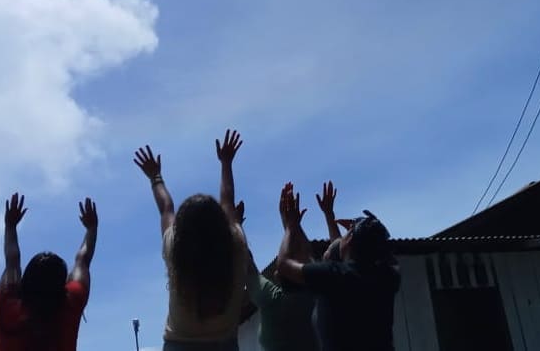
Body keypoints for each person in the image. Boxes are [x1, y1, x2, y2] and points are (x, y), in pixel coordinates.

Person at [134, 129, 248, 351]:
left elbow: (166, 209)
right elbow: (227, 200)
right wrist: (226, 162)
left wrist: (155, 176)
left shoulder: (174, 249)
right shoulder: (236, 244)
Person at [276, 185, 400, 351]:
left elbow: (284, 264)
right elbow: (345, 254)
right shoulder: (387, 278)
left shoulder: (333, 276)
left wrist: (291, 225)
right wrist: (331, 216)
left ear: (349, 241)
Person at [0, 192, 98, 351]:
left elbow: (12, 262)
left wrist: (10, 226)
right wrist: (91, 229)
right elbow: (82, 261)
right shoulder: (71, 302)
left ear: (26, 282)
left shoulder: (7, 307)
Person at [243, 182, 318, 351]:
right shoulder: (314, 297)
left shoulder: (271, 300)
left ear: (278, 275)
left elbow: (247, 264)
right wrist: (292, 225)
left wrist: (236, 225)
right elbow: (306, 258)